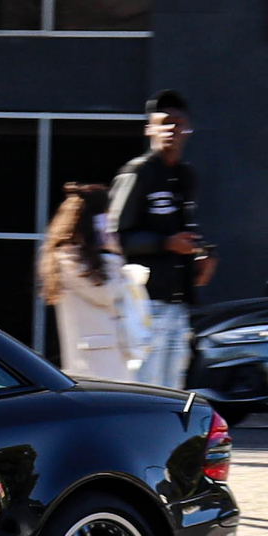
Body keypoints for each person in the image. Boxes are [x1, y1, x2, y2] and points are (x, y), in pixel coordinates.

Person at [108, 89, 212, 388]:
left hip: (178, 306)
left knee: (172, 393)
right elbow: (114, 238)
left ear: (187, 129)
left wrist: (204, 254)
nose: (171, 129)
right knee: (143, 388)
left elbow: (186, 230)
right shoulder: (138, 172)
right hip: (144, 305)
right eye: (164, 122)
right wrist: (166, 243)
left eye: (178, 123)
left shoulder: (186, 177)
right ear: (149, 128)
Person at [39, 182, 135, 382]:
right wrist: (113, 253)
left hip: (112, 354)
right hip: (93, 358)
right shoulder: (69, 257)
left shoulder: (92, 257)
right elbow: (106, 294)